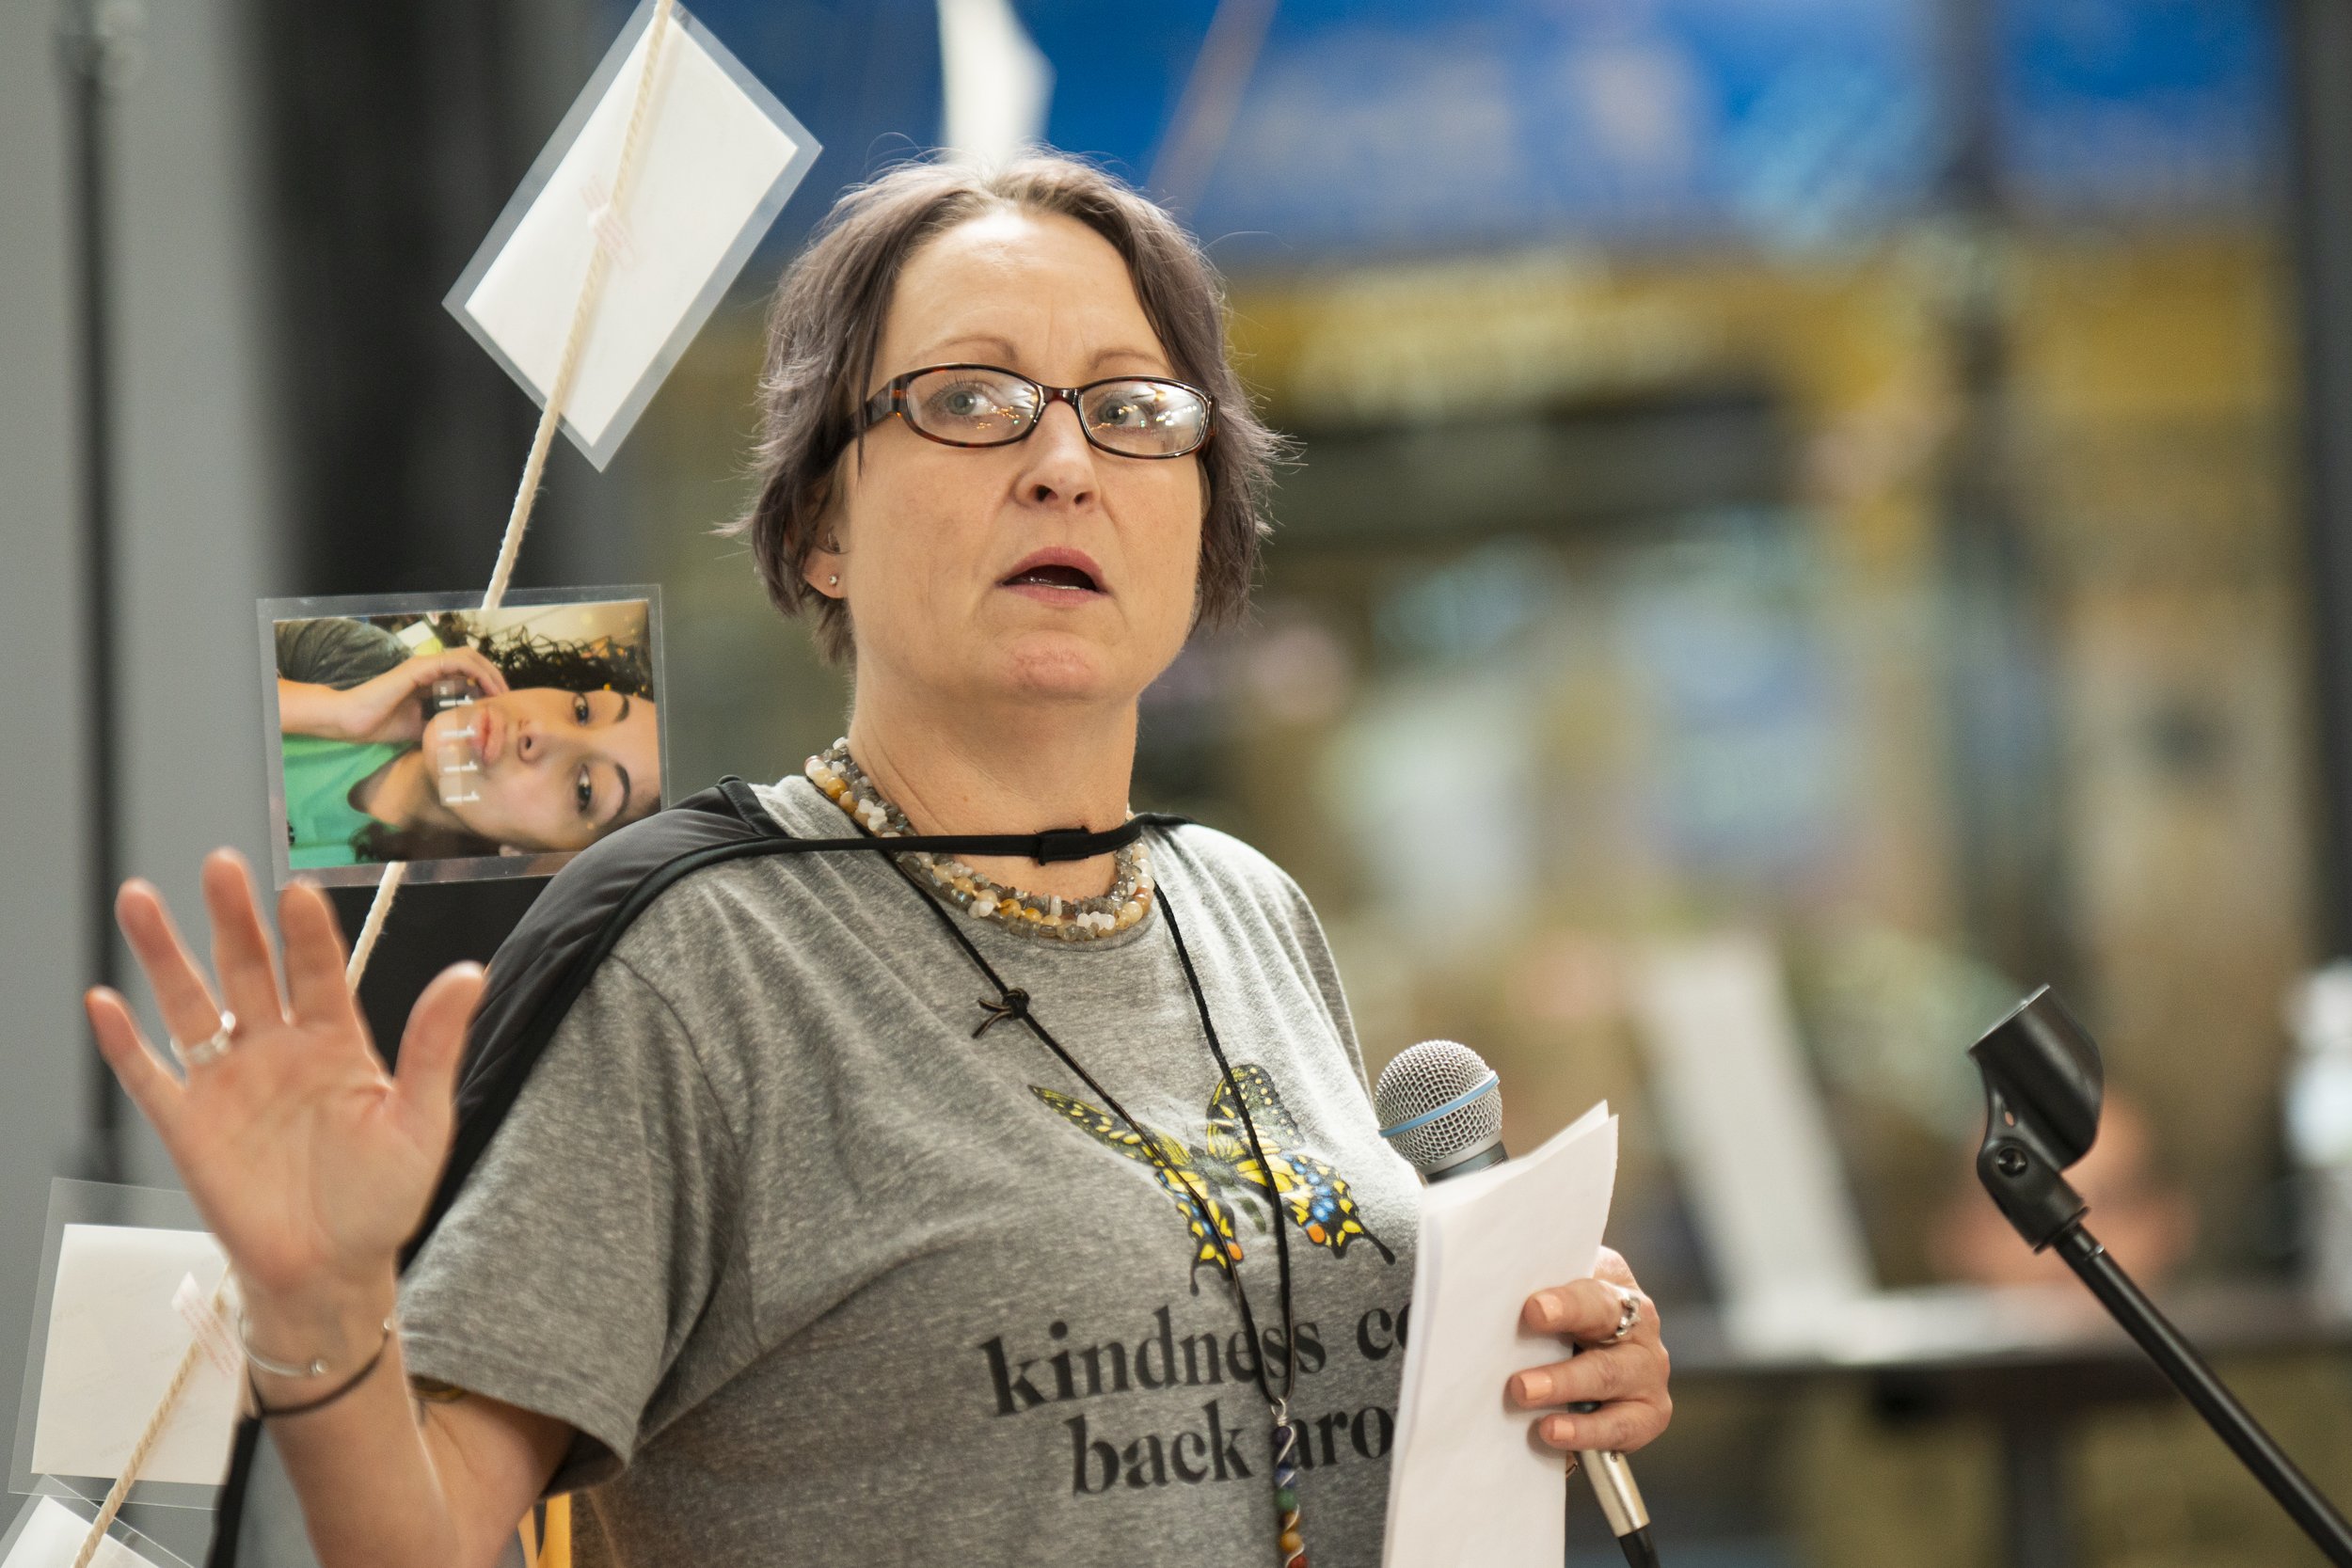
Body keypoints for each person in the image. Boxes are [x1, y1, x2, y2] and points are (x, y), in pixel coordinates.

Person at [84, 152, 1674, 1568]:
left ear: (1204, 516)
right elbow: (419, 1536)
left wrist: (1549, 1365)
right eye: (971, 400)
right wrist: (319, 1315)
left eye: (1132, 409)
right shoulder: (702, 955)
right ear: (818, 525)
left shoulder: (1246, 908)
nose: (1065, 463)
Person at [272, 615, 662, 867]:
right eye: (582, 711)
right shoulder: (361, 661)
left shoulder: (387, 921)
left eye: (584, 788)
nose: (540, 732)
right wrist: (337, 712)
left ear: (537, 855)